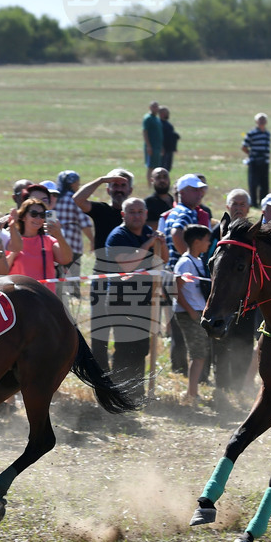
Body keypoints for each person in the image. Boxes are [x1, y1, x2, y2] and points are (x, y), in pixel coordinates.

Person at [103, 197, 167, 395]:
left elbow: (163, 259)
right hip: (121, 300)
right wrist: (149, 244)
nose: (137, 216)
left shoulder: (149, 232)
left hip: (144, 300)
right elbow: (127, 265)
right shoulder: (118, 236)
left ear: (146, 214)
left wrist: (161, 243)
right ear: (123, 215)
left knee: (141, 348)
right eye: (132, 212)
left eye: (140, 212)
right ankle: (120, 390)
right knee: (125, 348)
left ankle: (136, 390)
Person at [74, 168, 133, 368]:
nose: (119, 189)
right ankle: (101, 376)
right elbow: (78, 200)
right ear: (108, 189)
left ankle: (120, 373)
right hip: (102, 278)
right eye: (114, 185)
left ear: (130, 189)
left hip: (128, 282)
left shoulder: (134, 214)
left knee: (124, 332)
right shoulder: (101, 210)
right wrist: (100, 179)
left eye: (123, 185)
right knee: (100, 331)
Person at [210, 189, 258, 397]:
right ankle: (221, 387)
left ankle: (238, 387)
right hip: (221, 299)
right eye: (234, 204)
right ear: (228, 207)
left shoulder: (254, 235)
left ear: (247, 209)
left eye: (242, 204)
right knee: (221, 343)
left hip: (246, 302)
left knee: (245, 342)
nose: (238, 208)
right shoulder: (216, 232)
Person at [173, 224, 212, 403]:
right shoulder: (185, 262)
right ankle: (191, 394)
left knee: (200, 354)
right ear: (197, 242)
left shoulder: (198, 261)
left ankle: (192, 392)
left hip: (197, 312)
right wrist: (191, 312)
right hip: (189, 313)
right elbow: (176, 290)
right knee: (197, 354)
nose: (208, 243)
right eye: (206, 240)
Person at [6, 195, 72, 293]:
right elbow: (2, 271)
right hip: (19, 298)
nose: (38, 218)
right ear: (23, 217)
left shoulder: (49, 241)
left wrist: (59, 236)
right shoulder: (11, 241)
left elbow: (67, 259)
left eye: (42, 215)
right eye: (34, 214)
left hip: (45, 300)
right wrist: (15, 252)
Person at [53, 170, 93, 298]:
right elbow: (84, 222)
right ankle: (75, 293)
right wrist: (92, 240)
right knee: (74, 269)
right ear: (72, 184)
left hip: (57, 240)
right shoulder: (75, 200)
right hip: (73, 240)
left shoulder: (54, 199)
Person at [165, 173, 209, 266]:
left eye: (200, 190)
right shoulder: (186, 212)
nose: (200, 194)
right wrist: (192, 261)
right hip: (184, 274)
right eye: (194, 190)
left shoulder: (176, 211)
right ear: (181, 192)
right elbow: (176, 233)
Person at [242, 113, 271, 208]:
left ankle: (263, 202)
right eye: (260, 120)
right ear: (256, 122)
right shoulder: (252, 133)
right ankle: (254, 203)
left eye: (263, 120)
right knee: (253, 183)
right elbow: (244, 147)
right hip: (254, 162)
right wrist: (252, 155)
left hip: (265, 162)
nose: (262, 122)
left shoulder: (267, 134)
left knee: (264, 184)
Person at [144, 167, 174, 231]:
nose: (162, 180)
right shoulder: (148, 203)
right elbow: (144, 224)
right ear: (152, 180)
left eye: (165, 177)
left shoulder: (175, 201)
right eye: (158, 177)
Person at [142, 101, 163, 187]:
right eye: (154, 107)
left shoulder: (157, 118)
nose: (156, 108)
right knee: (150, 167)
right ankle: (149, 185)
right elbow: (145, 131)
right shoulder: (148, 118)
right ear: (150, 108)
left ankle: (155, 184)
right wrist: (149, 146)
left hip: (157, 146)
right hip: (151, 146)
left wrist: (161, 146)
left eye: (157, 107)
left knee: (156, 166)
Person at [159, 106, 180, 171]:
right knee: (162, 167)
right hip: (164, 149)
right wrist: (161, 147)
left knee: (168, 167)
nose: (167, 114)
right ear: (161, 114)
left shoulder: (167, 123)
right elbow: (159, 137)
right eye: (166, 113)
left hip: (169, 149)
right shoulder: (159, 124)